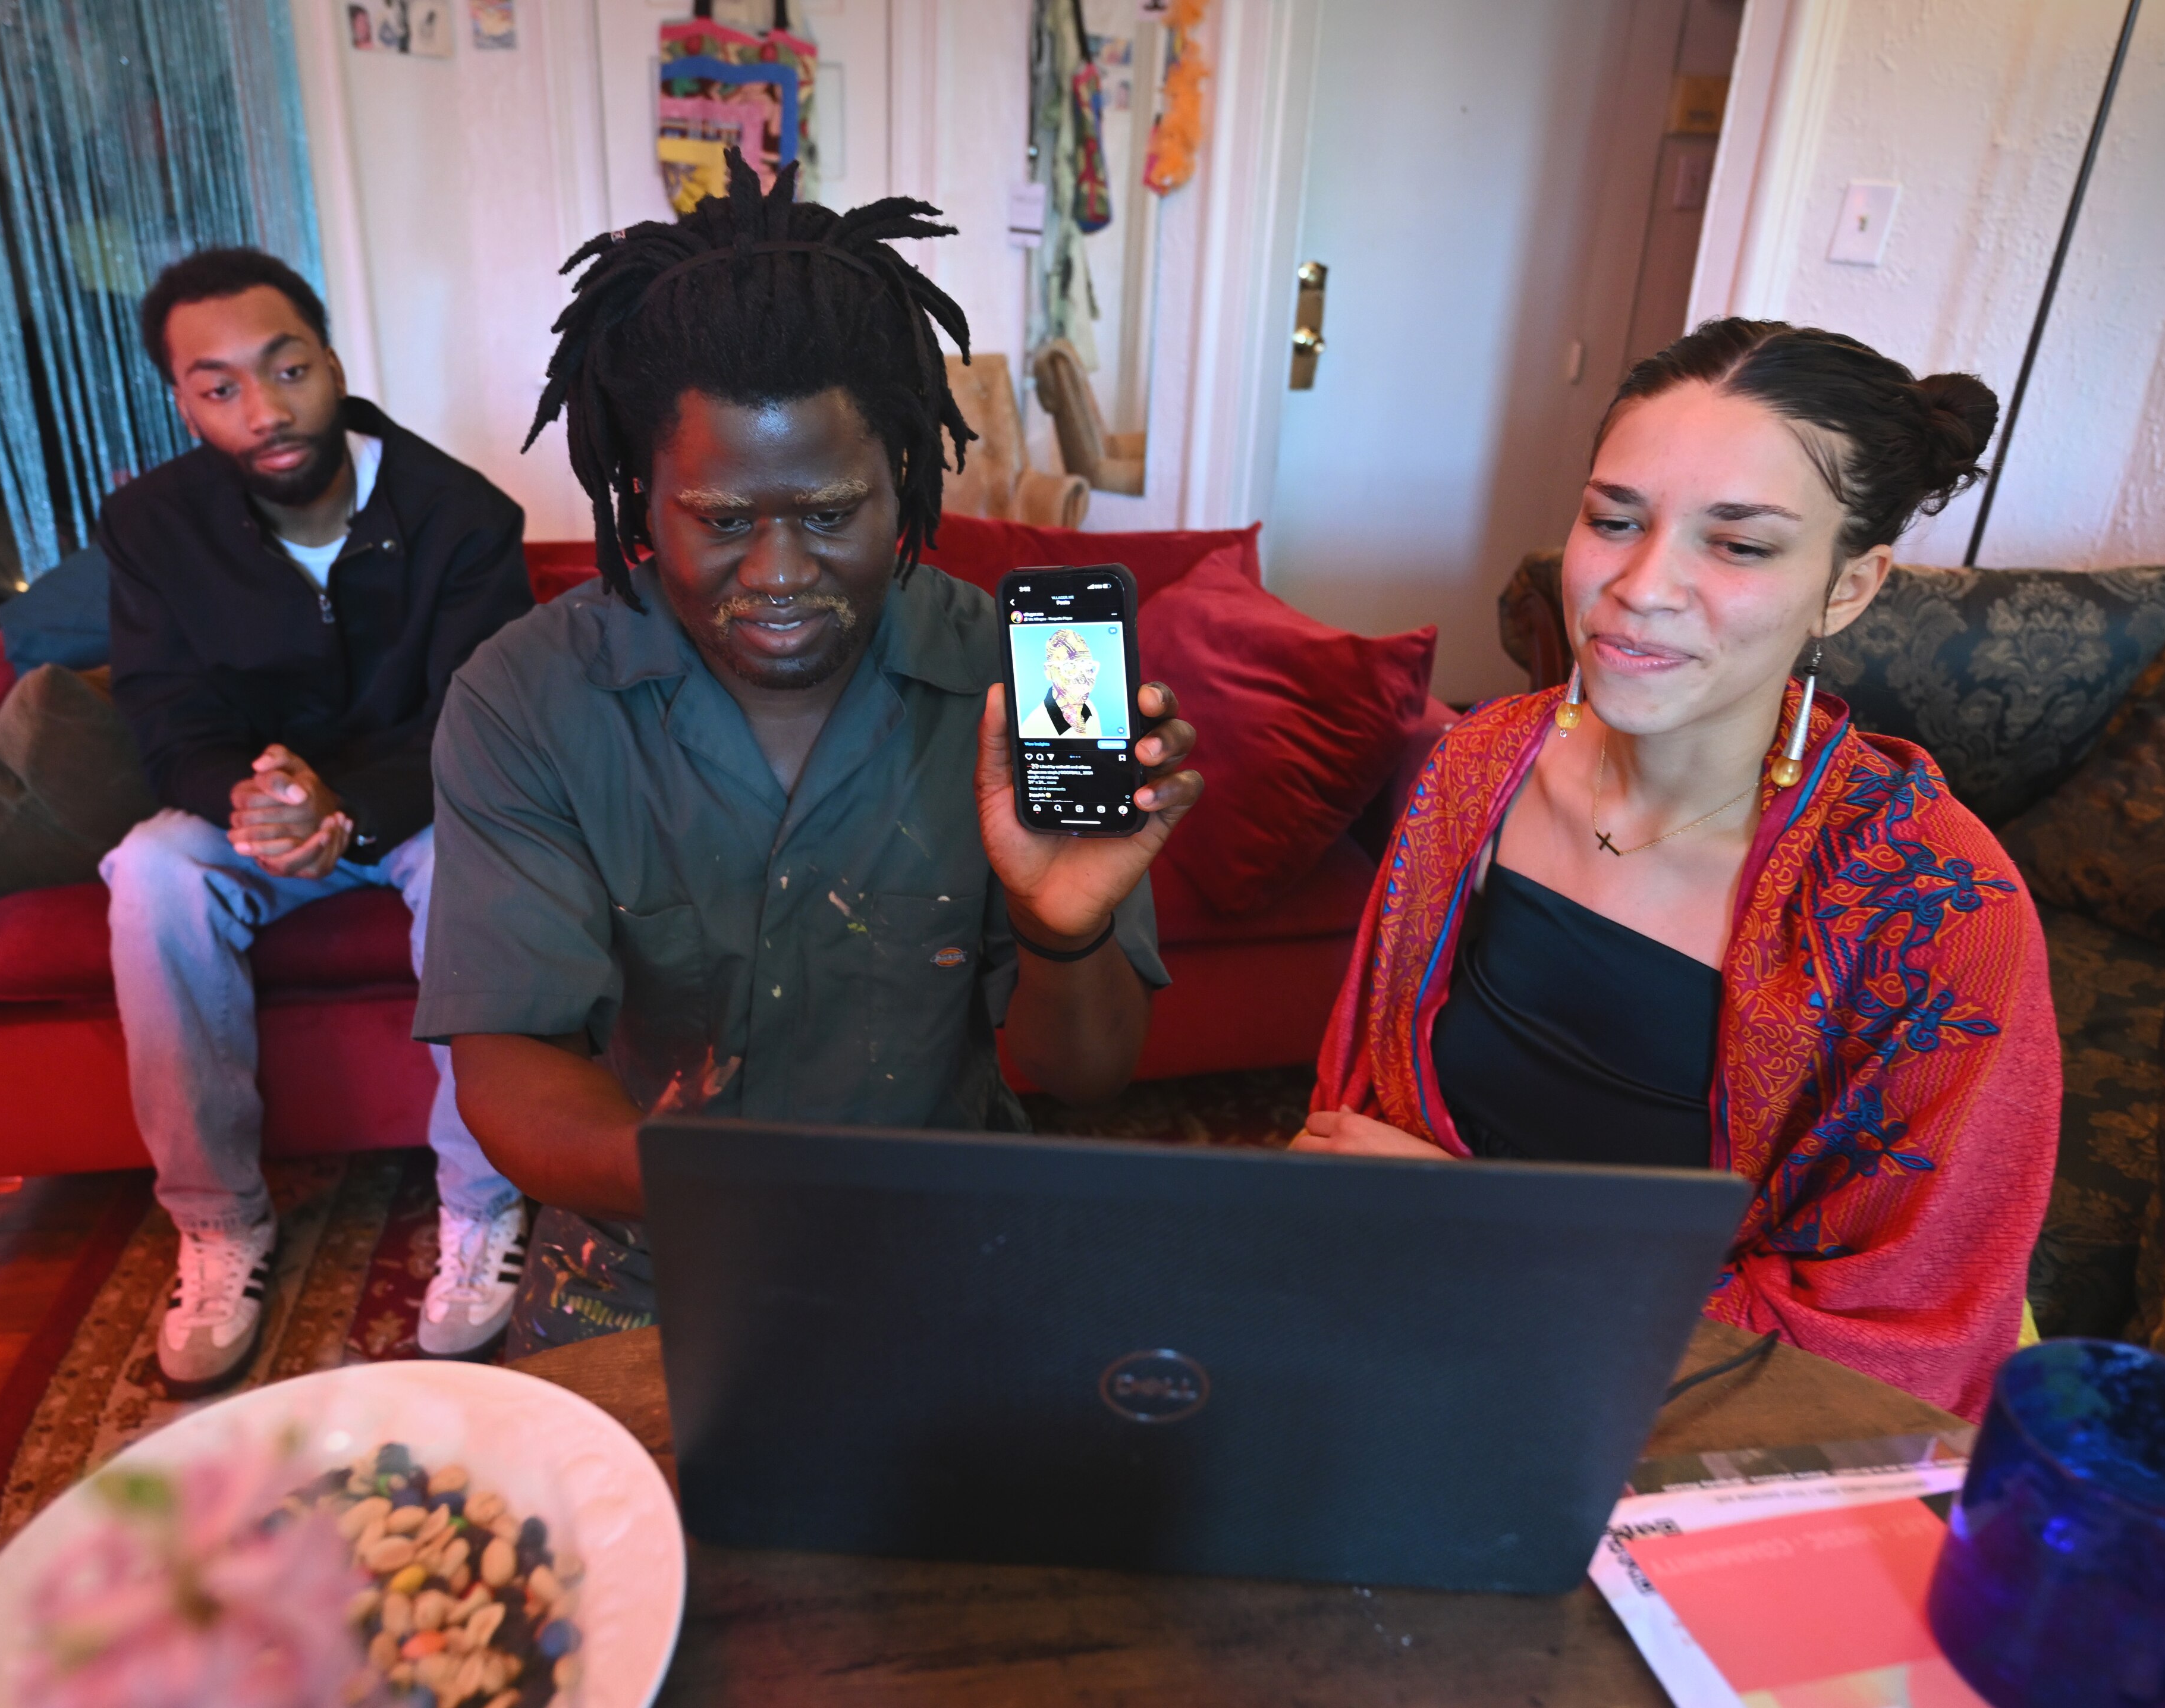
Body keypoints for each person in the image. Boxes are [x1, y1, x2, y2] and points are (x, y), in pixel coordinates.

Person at [415, 152, 1202, 1353]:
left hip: (947, 1244)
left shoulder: (1015, 680)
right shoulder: (526, 700)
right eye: (725, 522)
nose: (781, 576)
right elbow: (511, 1071)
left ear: (905, 477)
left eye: (830, 515)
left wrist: (1063, 926)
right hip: (644, 1258)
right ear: (640, 493)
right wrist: (764, 1196)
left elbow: (1084, 1073)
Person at [1298, 319, 2058, 1421]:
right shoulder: (1478, 766)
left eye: (1739, 545)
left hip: (1672, 1427)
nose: (1641, 585)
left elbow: (1878, 1349)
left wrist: (1466, 1230)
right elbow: (1358, 1106)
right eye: (1614, 520)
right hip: (1407, 1328)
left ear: (1848, 588)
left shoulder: (1934, 913)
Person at [102, 247, 535, 1394]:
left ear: (333, 362)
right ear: (185, 401)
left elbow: (479, 719)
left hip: (416, 806)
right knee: (150, 873)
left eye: (287, 367)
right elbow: (163, 717)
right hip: (259, 813)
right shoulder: (150, 528)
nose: (266, 409)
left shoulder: (462, 517)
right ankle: (218, 1224)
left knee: (478, 868)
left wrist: (350, 808)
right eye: (220, 388)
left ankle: (483, 1207)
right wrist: (257, 802)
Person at [1017, 626, 1108, 737]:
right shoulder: (1033, 727)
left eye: (1087, 666)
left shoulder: (1090, 709)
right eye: (1070, 667)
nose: (1083, 677)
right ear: (1048, 672)